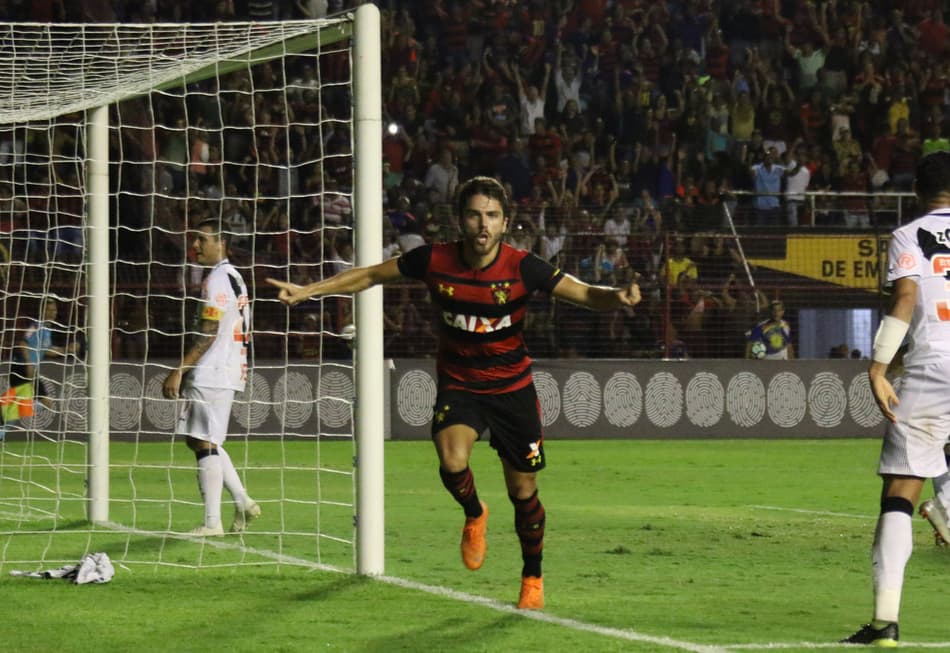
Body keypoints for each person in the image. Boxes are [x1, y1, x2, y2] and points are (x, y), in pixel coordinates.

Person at [267, 176, 641, 610]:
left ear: (505, 223)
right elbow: (369, 275)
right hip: (461, 383)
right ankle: (474, 512)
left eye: (492, 216)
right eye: (475, 214)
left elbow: (584, 295)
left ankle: (532, 577)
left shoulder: (524, 267)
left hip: (512, 389)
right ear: (460, 220)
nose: (483, 224)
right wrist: (308, 291)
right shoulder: (434, 260)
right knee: (451, 460)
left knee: (523, 492)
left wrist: (617, 296)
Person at [843, 151, 950, 646]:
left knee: (900, 491)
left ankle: (885, 621)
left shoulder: (909, 235)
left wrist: (879, 365)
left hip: (933, 368)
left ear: (916, 193)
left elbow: (906, 299)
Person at [162, 219, 260, 537]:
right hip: (230, 366)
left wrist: (180, 369)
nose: (195, 246)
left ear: (221, 243)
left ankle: (211, 523)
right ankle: (243, 501)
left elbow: (209, 331)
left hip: (214, 369)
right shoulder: (234, 276)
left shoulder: (217, 279)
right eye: (194, 240)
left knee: (204, 442)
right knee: (201, 439)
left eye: (202, 240)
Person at [1, 297, 79, 431]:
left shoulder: (47, 330)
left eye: (54, 310)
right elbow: (23, 343)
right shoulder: (36, 326)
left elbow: (47, 350)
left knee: (20, 404)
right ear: (42, 311)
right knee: (44, 402)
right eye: (48, 310)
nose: (52, 313)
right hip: (22, 368)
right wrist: (29, 364)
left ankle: (2, 430)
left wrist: (67, 350)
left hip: (25, 369)